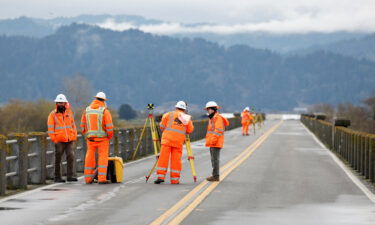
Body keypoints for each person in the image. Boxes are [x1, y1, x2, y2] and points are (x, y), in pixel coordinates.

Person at [154, 101, 194, 184]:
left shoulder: (168, 114)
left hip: (167, 140)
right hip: (178, 141)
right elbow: (190, 130)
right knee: (176, 160)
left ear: (176, 107)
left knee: (163, 158)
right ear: (185, 109)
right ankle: (174, 179)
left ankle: (160, 177)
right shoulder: (186, 118)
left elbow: (162, 127)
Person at [80, 92, 114, 184]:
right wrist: (109, 137)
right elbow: (110, 127)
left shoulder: (86, 110)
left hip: (90, 139)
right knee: (103, 158)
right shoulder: (104, 111)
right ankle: (101, 178)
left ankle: (88, 179)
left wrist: (87, 134)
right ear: (103, 101)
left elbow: (82, 126)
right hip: (103, 139)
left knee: (89, 157)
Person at [47, 94, 78, 183]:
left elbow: (73, 125)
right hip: (59, 141)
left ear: (65, 103)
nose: (60, 104)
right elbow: (50, 129)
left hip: (69, 140)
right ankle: (57, 177)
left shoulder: (69, 113)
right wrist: (55, 140)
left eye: (62, 102)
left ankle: (70, 176)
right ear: (56, 103)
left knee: (70, 156)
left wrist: (74, 135)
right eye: (59, 103)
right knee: (58, 158)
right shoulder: (52, 115)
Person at [205, 101, 229, 182]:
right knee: (213, 159)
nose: (207, 111)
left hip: (215, 142)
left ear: (212, 109)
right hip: (213, 142)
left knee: (215, 160)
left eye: (208, 109)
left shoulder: (217, 118)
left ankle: (216, 176)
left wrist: (213, 141)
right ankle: (214, 175)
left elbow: (218, 131)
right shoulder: (212, 118)